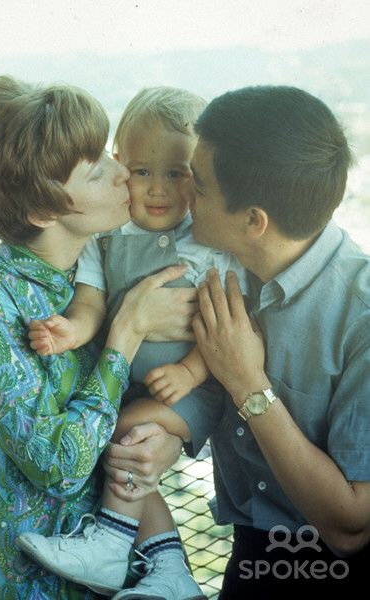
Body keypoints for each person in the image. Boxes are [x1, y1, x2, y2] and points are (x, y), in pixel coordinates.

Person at [0, 76, 195, 600]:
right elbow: (60, 466)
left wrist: (166, 441)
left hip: (144, 583)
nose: (125, 173)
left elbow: (147, 403)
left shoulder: (106, 274)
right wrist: (128, 331)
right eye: (99, 171)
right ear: (43, 211)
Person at [18, 87, 245, 599]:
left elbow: (230, 323)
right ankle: (170, 569)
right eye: (143, 171)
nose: (159, 188)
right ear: (121, 167)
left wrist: (189, 371)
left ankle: (111, 543)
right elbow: (92, 300)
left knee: (117, 433)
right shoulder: (107, 237)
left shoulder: (207, 242)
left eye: (177, 172)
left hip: (193, 390)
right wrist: (73, 330)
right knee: (130, 449)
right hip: (133, 387)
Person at [176, 85, 370, 598]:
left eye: (199, 186)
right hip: (248, 562)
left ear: (254, 221)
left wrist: (246, 382)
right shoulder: (216, 274)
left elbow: (352, 527)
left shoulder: (363, 318)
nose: (184, 197)